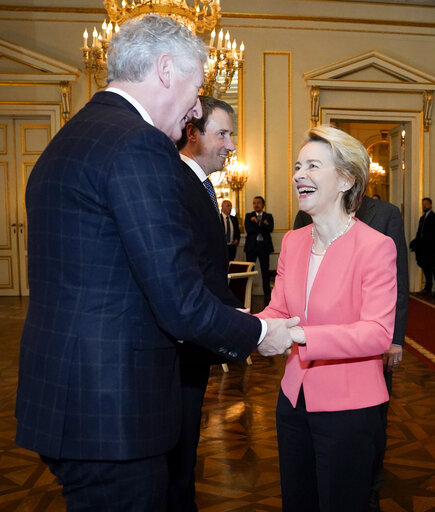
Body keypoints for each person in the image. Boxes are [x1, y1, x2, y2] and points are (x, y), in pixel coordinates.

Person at [14, 15, 297, 511]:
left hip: (62, 398)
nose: (194, 109)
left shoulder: (69, 140)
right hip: (115, 411)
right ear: (165, 70)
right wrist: (257, 333)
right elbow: (179, 300)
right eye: (196, 88)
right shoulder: (138, 144)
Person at [260, 125, 397, 511]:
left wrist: (300, 336)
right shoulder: (292, 241)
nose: (299, 174)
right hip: (293, 400)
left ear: (345, 179)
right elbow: (278, 311)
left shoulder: (375, 246)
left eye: (313, 166)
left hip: (350, 408)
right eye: (298, 165)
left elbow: (377, 333)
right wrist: (248, 326)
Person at [293, 190, 409, 512]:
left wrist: (395, 339)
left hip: (370, 344)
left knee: (374, 420)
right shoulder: (306, 216)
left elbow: (399, 280)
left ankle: (369, 483)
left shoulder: (386, 214)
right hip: (313, 348)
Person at [170, 94, 241, 511]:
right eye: (223, 133)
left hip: (196, 341)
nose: (231, 145)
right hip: (180, 347)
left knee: (186, 449)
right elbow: (188, 274)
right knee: (177, 454)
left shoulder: (200, 186)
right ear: (192, 133)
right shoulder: (178, 184)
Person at [244, 195, 274, 304]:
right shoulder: (249, 216)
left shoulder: (268, 216)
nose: (256, 205)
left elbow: (270, 229)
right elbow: (249, 230)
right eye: (254, 203)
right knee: (249, 271)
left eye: (258, 203)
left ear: (263, 204)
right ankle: (247, 294)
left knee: (265, 271)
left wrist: (257, 223)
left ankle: (267, 294)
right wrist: (262, 225)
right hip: (251, 247)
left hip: (264, 247)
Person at [410, 197, 435, 297]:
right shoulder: (422, 218)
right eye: (423, 204)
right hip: (423, 249)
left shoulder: (434, 217)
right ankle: (428, 287)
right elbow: (420, 233)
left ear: (430, 205)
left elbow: (430, 233)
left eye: (426, 204)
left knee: (434, 268)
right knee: (426, 268)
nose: (424, 206)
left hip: (431, 248)